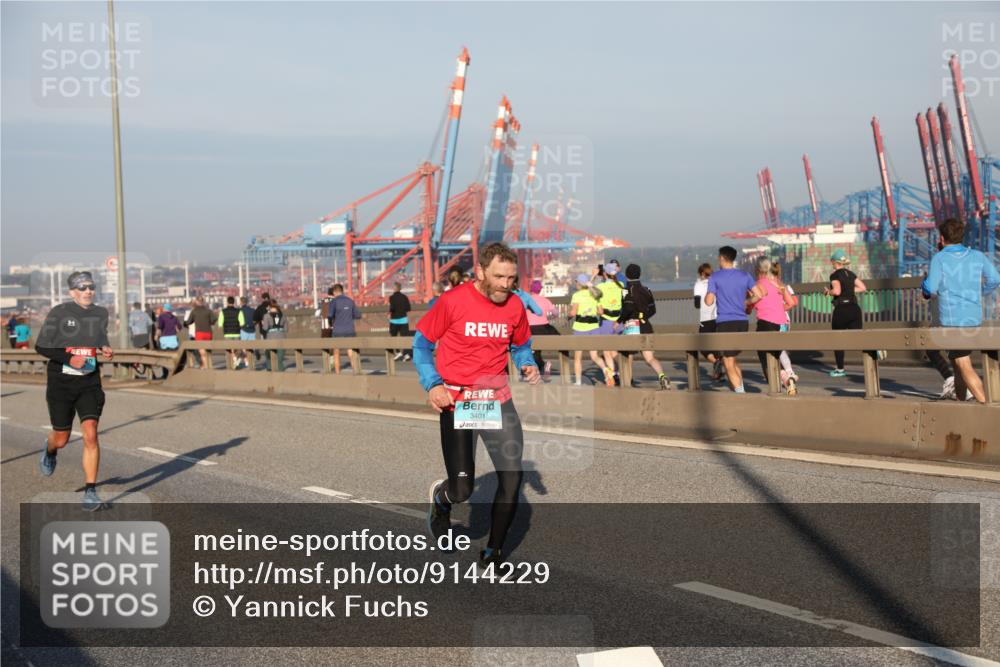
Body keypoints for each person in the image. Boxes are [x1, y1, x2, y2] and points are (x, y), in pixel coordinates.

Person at [414, 242, 540, 569]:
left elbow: (522, 343)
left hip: (496, 398)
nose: (506, 284)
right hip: (458, 400)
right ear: (481, 271)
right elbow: (422, 345)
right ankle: (442, 499)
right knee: (462, 489)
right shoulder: (452, 301)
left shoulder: (514, 305)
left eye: (512, 278)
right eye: (499, 277)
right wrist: (433, 384)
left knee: (512, 478)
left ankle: (493, 555)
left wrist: (527, 362)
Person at [34, 271, 113, 511]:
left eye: (91, 287)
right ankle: (49, 450)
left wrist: (104, 347)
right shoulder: (59, 313)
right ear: (72, 292)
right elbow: (41, 346)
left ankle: (91, 491)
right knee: (62, 439)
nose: (88, 291)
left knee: (90, 433)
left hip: (89, 383)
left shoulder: (101, 314)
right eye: (83, 288)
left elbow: (99, 336)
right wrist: (70, 358)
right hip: (61, 384)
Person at [921, 218, 1000, 404]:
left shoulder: (939, 258)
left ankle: (989, 408)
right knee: (957, 364)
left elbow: (931, 289)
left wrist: (924, 285)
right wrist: (980, 293)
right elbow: (995, 279)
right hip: (973, 317)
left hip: (952, 320)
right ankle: (960, 405)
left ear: (941, 238)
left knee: (963, 364)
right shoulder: (978, 256)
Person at [704, 246, 764, 393]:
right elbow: (759, 295)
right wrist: (747, 302)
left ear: (722, 258)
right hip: (742, 322)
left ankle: (740, 393)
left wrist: (709, 294)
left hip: (725, 323)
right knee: (732, 359)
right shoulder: (744, 275)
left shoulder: (715, 277)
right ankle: (740, 388)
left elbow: (709, 302)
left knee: (727, 361)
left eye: (719, 257)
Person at [749, 257, 798, 394]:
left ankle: (776, 388)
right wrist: (777, 309)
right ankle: (788, 374)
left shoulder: (757, 284)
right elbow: (792, 303)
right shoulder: (777, 282)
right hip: (781, 323)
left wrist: (747, 303)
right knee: (779, 352)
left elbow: (749, 308)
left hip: (765, 323)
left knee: (765, 358)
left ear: (758, 269)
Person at [618, 264, 670, 389]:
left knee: (629, 356)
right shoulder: (647, 290)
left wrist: (619, 320)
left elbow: (627, 309)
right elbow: (653, 310)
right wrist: (643, 316)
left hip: (632, 326)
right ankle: (662, 376)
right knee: (649, 358)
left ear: (626, 275)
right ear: (639, 274)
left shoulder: (625, 290)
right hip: (645, 325)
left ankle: (629, 381)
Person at [824, 249, 868, 377]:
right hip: (855, 309)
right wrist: (848, 289)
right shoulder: (851, 273)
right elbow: (863, 288)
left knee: (838, 340)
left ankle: (840, 369)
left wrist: (829, 292)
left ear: (834, 262)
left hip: (842, 310)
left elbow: (837, 291)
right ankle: (874, 349)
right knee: (859, 338)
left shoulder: (834, 275)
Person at [569, 273, 614, 386]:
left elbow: (573, 312)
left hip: (580, 327)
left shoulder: (577, 295)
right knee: (594, 356)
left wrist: (568, 316)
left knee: (577, 357)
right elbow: (601, 312)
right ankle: (605, 370)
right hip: (594, 326)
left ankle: (578, 382)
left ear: (579, 283)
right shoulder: (595, 294)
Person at [770, 261, 801, 395]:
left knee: (776, 349)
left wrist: (778, 309)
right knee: (780, 348)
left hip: (775, 320)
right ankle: (786, 375)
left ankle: (788, 374)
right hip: (786, 321)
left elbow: (792, 303)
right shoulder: (785, 285)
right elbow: (794, 302)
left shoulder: (770, 286)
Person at [693, 263, 723, 381]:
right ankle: (717, 375)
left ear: (701, 273)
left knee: (703, 346)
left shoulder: (698, 285)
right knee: (716, 346)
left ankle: (715, 362)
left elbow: (696, 304)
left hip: (705, 319)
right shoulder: (716, 282)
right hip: (718, 317)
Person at [596, 262, 624, 386]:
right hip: (618, 320)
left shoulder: (600, 287)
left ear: (605, 273)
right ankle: (621, 371)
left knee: (607, 351)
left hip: (606, 321)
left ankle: (613, 374)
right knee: (616, 350)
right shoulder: (621, 285)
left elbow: (600, 311)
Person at [526, 279, 559, 380]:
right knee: (562, 342)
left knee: (533, 352)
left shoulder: (526, 300)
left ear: (530, 289)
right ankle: (544, 367)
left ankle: (541, 368)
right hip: (545, 328)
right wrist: (549, 318)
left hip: (530, 329)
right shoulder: (545, 300)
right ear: (540, 290)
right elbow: (556, 313)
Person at [327, 284, 361, 374]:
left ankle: (338, 374)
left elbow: (329, 315)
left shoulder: (334, 302)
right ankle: (355, 372)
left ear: (334, 292)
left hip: (338, 330)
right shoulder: (350, 301)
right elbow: (358, 315)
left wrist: (332, 323)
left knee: (336, 352)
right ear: (342, 291)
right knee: (350, 351)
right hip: (350, 330)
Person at [184, 296, 214, 369]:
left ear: (197, 302)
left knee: (202, 351)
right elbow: (213, 320)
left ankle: (205, 366)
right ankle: (210, 365)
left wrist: (184, 323)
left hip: (199, 333)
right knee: (208, 350)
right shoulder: (209, 310)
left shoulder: (194, 311)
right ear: (203, 301)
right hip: (208, 333)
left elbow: (189, 322)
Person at [261, 299, 286, 371]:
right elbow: (286, 328)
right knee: (280, 357)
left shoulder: (266, 316)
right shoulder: (283, 316)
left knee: (268, 355)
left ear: (270, 308)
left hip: (270, 338)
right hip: (281, 337)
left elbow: (265, 328)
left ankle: (269, 368)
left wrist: (263, 324)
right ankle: (281, 370)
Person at [389, 282, 412, 361]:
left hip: (394, 320)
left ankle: (398, 352)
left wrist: (390, 313)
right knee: (405, 337)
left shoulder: (391, 297)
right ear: (400, 288)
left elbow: (392, 308)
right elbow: (408, 308)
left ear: (394, 289)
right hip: (403, 320)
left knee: (393, 337)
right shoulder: (405, 297)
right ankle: (407, 354)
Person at [217, 296, 242, 369]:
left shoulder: (223, 311)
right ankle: (236, 364)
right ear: (234, 302)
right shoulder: (239, 311)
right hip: (237, 332)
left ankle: (229, 365)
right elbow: (242, 323)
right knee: (237, 349)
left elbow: (220, 324)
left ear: (227, 302)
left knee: (228, 350)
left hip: (227, 333)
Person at [237, 296, 256, 369]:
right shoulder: (252, 310)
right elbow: (256, 320)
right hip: (252, 330)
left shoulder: (239, 310)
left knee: (243, 347)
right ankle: (251, 362)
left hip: (243, 330)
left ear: (241, 302)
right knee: (251, 348)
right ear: (247, 302)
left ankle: (245, 361)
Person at [252, 292, 271, 362]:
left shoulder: (260, 308)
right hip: (274, 330)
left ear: (263, 299)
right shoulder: (274, 306)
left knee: (266, 346)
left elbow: (254, 319)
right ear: (269, 298)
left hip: (263, 330)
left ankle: (268, 362)